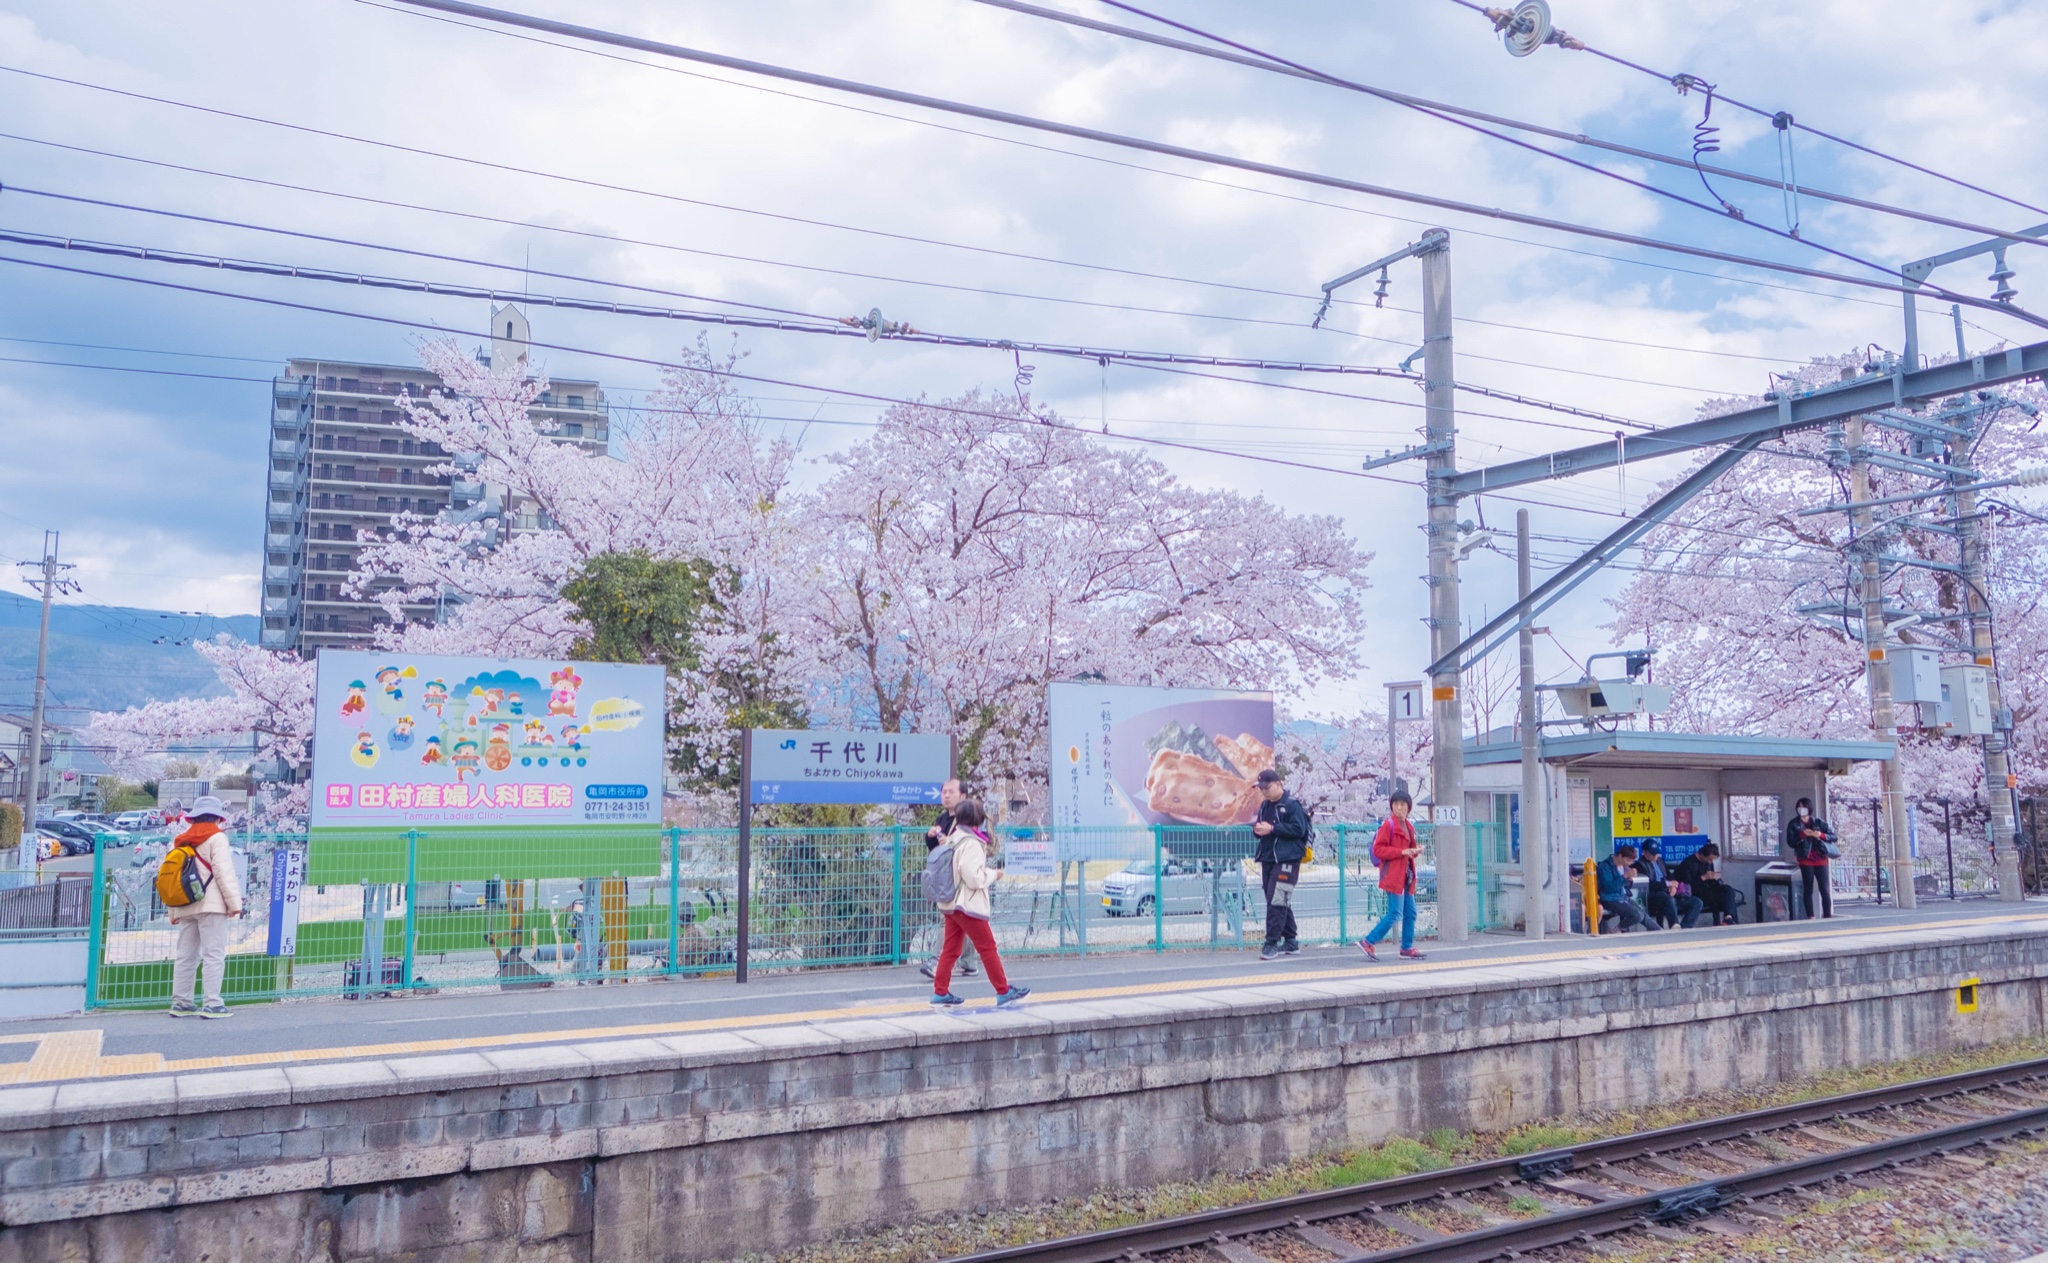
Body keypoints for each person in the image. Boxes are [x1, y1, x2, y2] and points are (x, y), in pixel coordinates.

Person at [930, 799, 1029, 1008]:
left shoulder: (953, 839)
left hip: (950, 903)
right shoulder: (972, 844)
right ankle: (1003, 991)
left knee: (951, 949)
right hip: (968, 905)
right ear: (977, 818)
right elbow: (974, 878)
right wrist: (994, 874)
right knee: (987, 948)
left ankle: (940, 992)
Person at [167, 795, 243, 1018]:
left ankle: (181, 1003)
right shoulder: (217, 838)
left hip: (185, 904)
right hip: (210, 905)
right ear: (218, 818)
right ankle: (212, 1003)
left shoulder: (181, 840)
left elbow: (172, 876)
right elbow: (223, 872)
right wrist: (234, 904)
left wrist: (172, 910)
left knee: (185, 955)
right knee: (213, 954)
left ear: (193, 819)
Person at [919, 778, 978, 980]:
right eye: (943, 792)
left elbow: (976, 843)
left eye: (950, 792)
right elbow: (935, 848)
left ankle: (937, 961)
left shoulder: (970, 817)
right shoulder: (943, 818)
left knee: (951, 917)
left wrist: (951, 843)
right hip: (947, 876)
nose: (945, 795)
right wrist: (930, 836)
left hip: (964, 877)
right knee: (961, 919)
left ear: (962, 795)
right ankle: (969, 963)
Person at [1251, 768, 1311, 961]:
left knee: (1278, 899)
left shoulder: (1292, 805)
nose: (1264, 792)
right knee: (1275, 898)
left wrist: (1273, 828)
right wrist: (1259, 830)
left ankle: (1271, 943)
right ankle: (1291, 940)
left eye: (1266, 788)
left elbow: (1298, 829)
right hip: (1268, 857)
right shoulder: (1264, 806)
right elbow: (1262, 827)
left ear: (1278, 784)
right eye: (1261, 789)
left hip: (1288, 858)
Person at [1359, 788, 1425, 961]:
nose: (1399, 808)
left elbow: (1408, 851)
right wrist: (1402, 851)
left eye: (1402, 804)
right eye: (1395, 804)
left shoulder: (1409, 826)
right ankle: (1368, 941)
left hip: (1406, 876)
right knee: (1395, 913)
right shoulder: (1388, 825)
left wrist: (1415, 851)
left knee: (1410, 913)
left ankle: (1406, 948)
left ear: (1408, 807)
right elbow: (1379, 850)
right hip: (1393, 875)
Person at [1786, 798, 1837, 919]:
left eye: (1803, 807)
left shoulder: (1819, 822)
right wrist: (1803, 835)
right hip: (1805, 859)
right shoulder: (1793, 824)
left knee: (1824, 889)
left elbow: (1834, 836)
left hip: (1821, 858)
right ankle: (1811, 916)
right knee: (1808, 889)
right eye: (1799, 807)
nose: (1801, 809)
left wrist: (1821, 835)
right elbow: (1791, 842)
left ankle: (1827, 915)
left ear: (1809, 808)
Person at [1634, 840, 1703, 929]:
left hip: (1669, 892)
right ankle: (1674, 924)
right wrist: (1667, 885)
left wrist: (1673, 886)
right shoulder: (1639, 866)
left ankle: (1685, 927)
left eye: (1657, 853)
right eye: (1653, 854)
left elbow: (1670, 875)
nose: (1656, 856)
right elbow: (1648, 885)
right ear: (1645, 852)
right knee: (1669, 899)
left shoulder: (1660, 861)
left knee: (1697, 902)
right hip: (1655, 895)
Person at [1673, 842, 1742, 926]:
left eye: (1712, 860)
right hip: (1695, 892)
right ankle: (1727, 921)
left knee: (1728, 890)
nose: (1710, 862)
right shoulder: (1689, 864)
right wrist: (1703, 877)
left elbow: (1711, 881)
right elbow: (1687, 886)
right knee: (1719, 897)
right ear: (1702, 854)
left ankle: (1728, 917)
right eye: (1709, 859)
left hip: (1707, 889)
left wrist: (1714, 879)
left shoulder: (1708, 863)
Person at [1595, 845, 1654, 932]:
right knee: (1637, 915)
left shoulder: (1623, 866)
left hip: (1622, 896)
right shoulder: (1605, 866)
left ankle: (1660, 931)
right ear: (1619, 856)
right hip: (1610, 899)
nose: (1629, 863)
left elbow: (1625, 885)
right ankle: (1616, 929)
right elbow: (1609, 887)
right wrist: (1625, 876)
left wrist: (1629, 880)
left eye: (1631, 861)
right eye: (1627, 860)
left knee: (1643, 913)